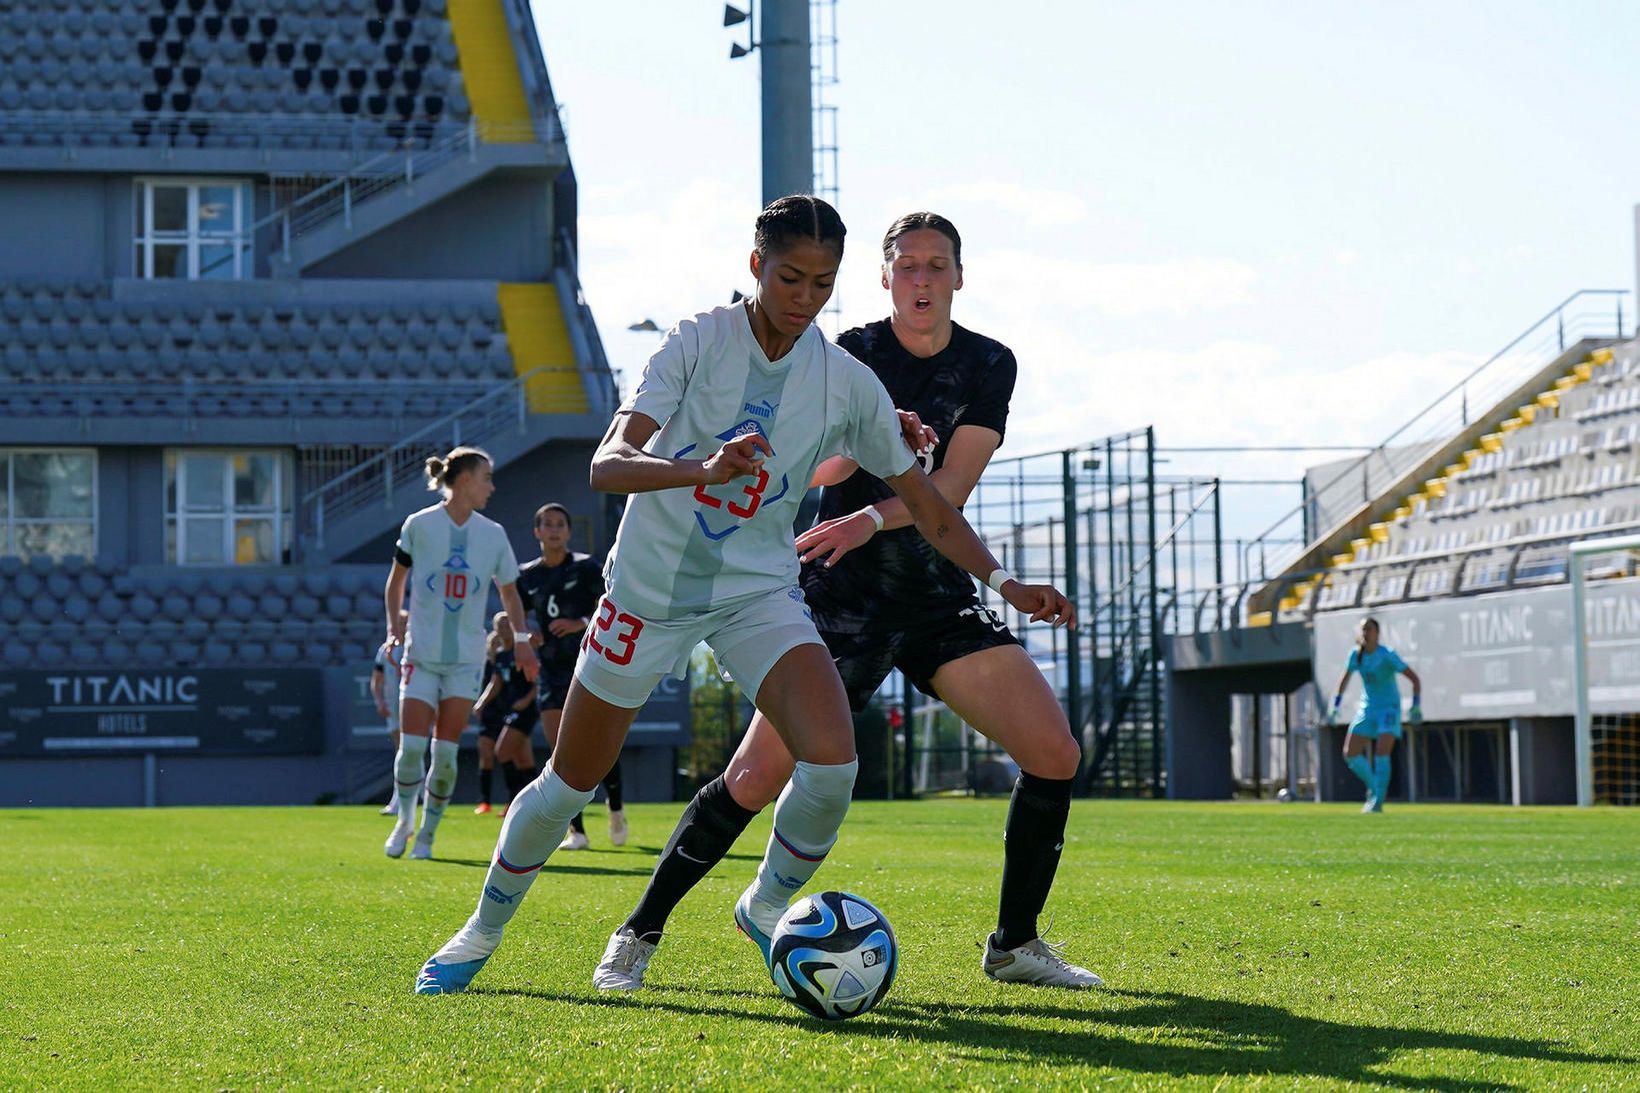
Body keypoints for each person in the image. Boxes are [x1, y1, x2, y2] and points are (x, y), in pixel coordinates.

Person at [414, 195, 1073, 995]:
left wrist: (1007, 581)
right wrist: (704, 466)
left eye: (822, 282)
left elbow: (934, 507)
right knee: (571, 780)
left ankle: (764, 908)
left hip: (757, 592)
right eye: (791, 276)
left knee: (833, 763)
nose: (805, 297)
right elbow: (609, 465)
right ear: (756, 266)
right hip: (649, 591)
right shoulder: (696, 340)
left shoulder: (842, 378)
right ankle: (482, 928)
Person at [594, 211, 1100, 993]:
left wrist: (996, 579)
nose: (922, 279)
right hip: (836, 595)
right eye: (907, 266)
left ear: (959, 277)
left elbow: (950, 493)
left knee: (1054, 751)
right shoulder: (844, 354)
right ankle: (639, 930)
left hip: (933, 596)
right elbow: (816, 471)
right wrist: (862, 451)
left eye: (938, 266)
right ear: (885, 277)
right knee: (753, 777)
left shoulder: (989, 364)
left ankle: (1014, 943)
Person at [383, 446, 538, 860]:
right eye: (487, 477)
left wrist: (522, 641)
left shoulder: (493, 534)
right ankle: (404, 823)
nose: (491, 486)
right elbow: (396, 581)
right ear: (465, 479)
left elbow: (510, 592)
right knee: (412, 748)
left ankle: (428, 836)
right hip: (421, 654)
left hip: (467, 660)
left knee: (446, 754)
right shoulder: (419, 525)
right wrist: (393, 623)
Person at [513, 502, 624, 848]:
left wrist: (580, 623)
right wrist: (527, 635)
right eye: (547, 524)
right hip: (549, 669)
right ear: (537, 532)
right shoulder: (527, 575)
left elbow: (611, 602)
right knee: (561, 750)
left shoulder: (586, 567)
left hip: (588, 664)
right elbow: (515, 615)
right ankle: (576, 831)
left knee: (598, 746)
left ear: (568, 531)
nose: (554, 529)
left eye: (561, 523)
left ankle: (616, 808)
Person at [1330, 617, 1422, 812]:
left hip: (1388, 708)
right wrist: (1335, 705)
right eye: (1363, 629)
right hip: (1368, 708)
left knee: (1382, 753)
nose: (1365, 633)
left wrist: (1416, 706)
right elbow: (1343, 680)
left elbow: (1415, 679)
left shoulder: (1387, 655)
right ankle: (1374, 788)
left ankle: (1377, 802)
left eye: (1369, 629)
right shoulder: (1356, 656)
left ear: (1377, 633)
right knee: (1350, 753)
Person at [473, 611, 540, 816]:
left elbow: (538, 680)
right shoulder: (501, 655)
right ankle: (536, 804)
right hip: (510, 709)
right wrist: (481, 703)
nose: (503, 629)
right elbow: (496, 682)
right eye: (499, 626)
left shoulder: (524, 651)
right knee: (523, 759)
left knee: (502, 751)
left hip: (526, 710)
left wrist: (525, 701)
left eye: (506, 625)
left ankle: (513, 802)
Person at [371, 610, 414, 817]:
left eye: (406, 622)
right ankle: (401, 798)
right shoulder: (385, 649)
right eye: (400, 622)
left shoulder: (417, 647)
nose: (404, 626)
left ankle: (413, 798)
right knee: (401, 751)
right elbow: (376, 681)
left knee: (414, 750)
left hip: (415, 705)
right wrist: (380, 701)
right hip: (395, 708)